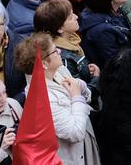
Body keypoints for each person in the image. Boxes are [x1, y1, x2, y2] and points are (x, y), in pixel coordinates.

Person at [13, 32, 100, 165]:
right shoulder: (43, 99)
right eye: (54, 51)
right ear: (43, 64)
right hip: (74, 158)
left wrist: (81, 87)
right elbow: (74, 133)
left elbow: (84, 96)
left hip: (85, 146)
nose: (59, 51)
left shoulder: (60, 71)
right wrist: (76, 97)